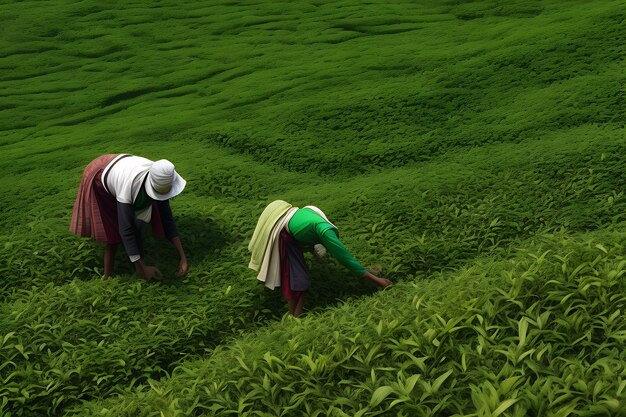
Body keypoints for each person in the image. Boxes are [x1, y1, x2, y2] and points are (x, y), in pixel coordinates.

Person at [248, 200, 391, 316]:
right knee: (297, 279)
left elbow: (307, 234)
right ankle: (294, 318)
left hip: (289, 218)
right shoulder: (325, 232)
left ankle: (296, 316)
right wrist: (379, 281)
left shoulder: (320, 223)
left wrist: (314, 252)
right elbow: (345, 258)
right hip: (283, 232)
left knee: (300, 279)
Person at [70, 154, 188, 281]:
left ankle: (137, 261)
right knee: (113, 231)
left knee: (141, 222)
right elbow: (125, 229)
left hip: (121, 165)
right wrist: (143, 268)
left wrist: (183, 258)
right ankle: (107, 277)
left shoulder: (162, 176)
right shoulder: (128, 187)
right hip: (100, 173)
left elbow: (167, 218)